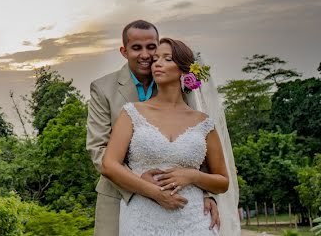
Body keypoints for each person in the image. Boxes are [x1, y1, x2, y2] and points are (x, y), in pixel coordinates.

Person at [86, 21, 221, 235]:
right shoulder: (103, 89)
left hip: (182, 202)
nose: (146, 55)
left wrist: (206, 192)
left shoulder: (179, 84)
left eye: (151, 47)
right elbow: (98, 150)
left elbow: (197, 143)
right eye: (136, 48)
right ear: (124, 51)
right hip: (121, 196)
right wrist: (143, 184)